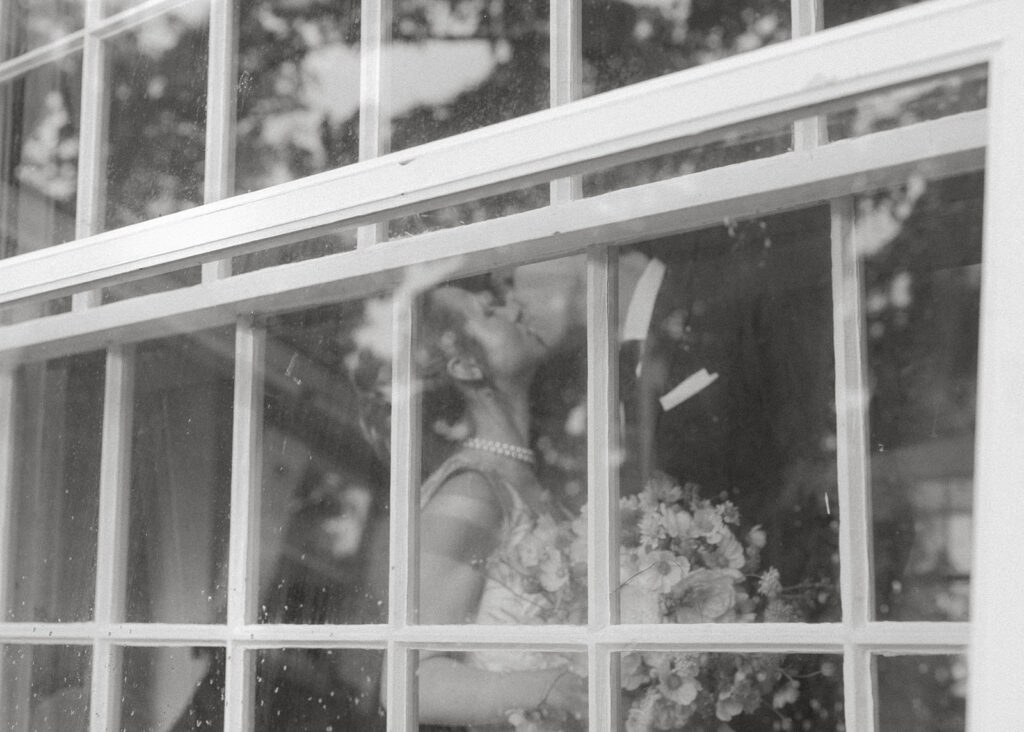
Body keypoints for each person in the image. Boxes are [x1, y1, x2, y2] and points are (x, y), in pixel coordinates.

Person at [411, 283, 588, 731]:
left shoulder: (539, 482)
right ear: (465, 365)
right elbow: (413, 681)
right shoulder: (472, 491)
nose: (515, 306)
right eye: (490, 311)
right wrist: (562, 688)